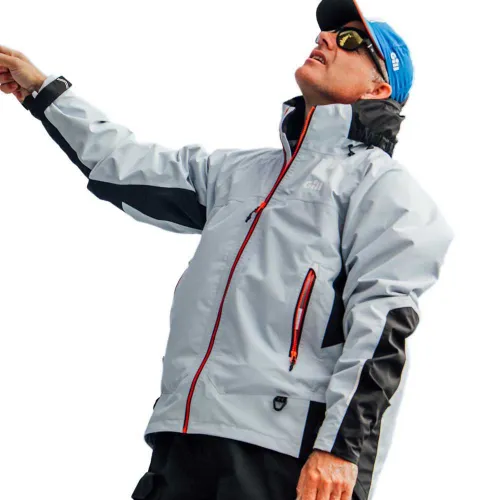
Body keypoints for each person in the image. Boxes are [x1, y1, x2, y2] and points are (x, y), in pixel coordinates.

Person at [0, 0, 454, 499]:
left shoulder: (385, 190)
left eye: (350, 41)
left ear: (379, 89)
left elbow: (382, 327)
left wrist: (341, 452)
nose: (325, 39)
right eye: (326, 34)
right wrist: (41, 90)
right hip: (183, 439)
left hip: (282, 456)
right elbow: (123, 163)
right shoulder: (238, 174)